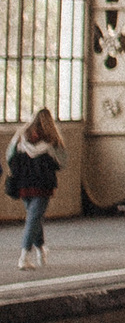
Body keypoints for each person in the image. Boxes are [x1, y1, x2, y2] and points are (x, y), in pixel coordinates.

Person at [8, 104, 63, 269]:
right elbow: (63, 161)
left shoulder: (21, 136)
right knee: (33, 219)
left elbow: (10, 156)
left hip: (23, 184)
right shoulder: (52, 140)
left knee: (33, 218)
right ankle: (25, 255)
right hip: (42, 185)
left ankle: (40, 249)